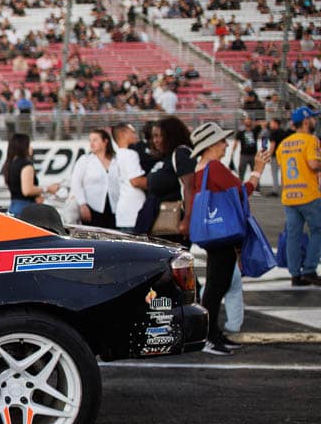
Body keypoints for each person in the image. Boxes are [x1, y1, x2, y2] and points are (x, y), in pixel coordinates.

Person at [185, 121, 269, 355]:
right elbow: (243, 192)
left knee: (216, 284)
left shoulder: (201, 168)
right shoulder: (214, 167)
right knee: (216, 286)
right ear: (211, 145)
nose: (225, 144)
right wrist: (258, 170)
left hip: (214, 233)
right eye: (222, 141)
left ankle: (213, 333)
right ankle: (208, 337)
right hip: (223, 234)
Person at [276, 106, 321, 287]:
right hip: (309, 194)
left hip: (289, 195)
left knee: (293, 235)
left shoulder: (284, 144)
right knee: (317, 231)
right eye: (312, 118)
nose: (314, 121)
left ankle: (295, 274)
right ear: (305, 121)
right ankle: (309, 269)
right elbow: (313, 165)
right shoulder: (311, 140)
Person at [136, 116, 195, 244]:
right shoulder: (165, 157)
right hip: (156, 223)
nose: (155, 140)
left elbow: (190, 186)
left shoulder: (181, 154)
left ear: (171, 135)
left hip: (173, 224)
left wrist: (188, 219)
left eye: (159, 136)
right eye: (153, 136)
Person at [69, 128, 119, 229]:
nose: (91, 143)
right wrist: (83, 205)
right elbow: (75, 183)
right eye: (90, 140)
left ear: (105, 141)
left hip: (115, 208)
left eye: (95, 140)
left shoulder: (117, 159)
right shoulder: (85, 160)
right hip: (92, 208)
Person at [3, 132, 59, 216]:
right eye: (29, 145)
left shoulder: (10, 164)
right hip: (25, 209)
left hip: (13, 207)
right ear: (23, 147)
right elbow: (27, 190)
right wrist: (48, 189)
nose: (31, 148)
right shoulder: (25, 164)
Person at [111, 123, 146, 234]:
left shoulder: (115, 157)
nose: (136, 135)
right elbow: (136, 181)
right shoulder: (130, 154)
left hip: (123, 213)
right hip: (134, 211)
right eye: (133, 132)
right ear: (123, 133)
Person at [229, 114, 263, 185]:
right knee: (241, 171)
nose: (248, 121)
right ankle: (240, 186)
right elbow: (236, 142)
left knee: (255, 172)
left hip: (254, 155)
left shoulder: (255, 130)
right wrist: (232, 152)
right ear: (244, 121)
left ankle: (256, 188)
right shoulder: (241, 132)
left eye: (249, 120)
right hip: (244, 155)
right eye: (246, 120)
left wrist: (255, 122)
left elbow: (264, 124)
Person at [264, 116, 289, 197]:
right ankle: (286, 189)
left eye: (271, 123)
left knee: (274, 174)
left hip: (275, 156)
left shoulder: (273, 133)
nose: (270, 124)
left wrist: (268, 156)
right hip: (284, 155)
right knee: (284, 174)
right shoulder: (283, 132)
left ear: (275, 123)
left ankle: (275, 190)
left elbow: (272, 146)